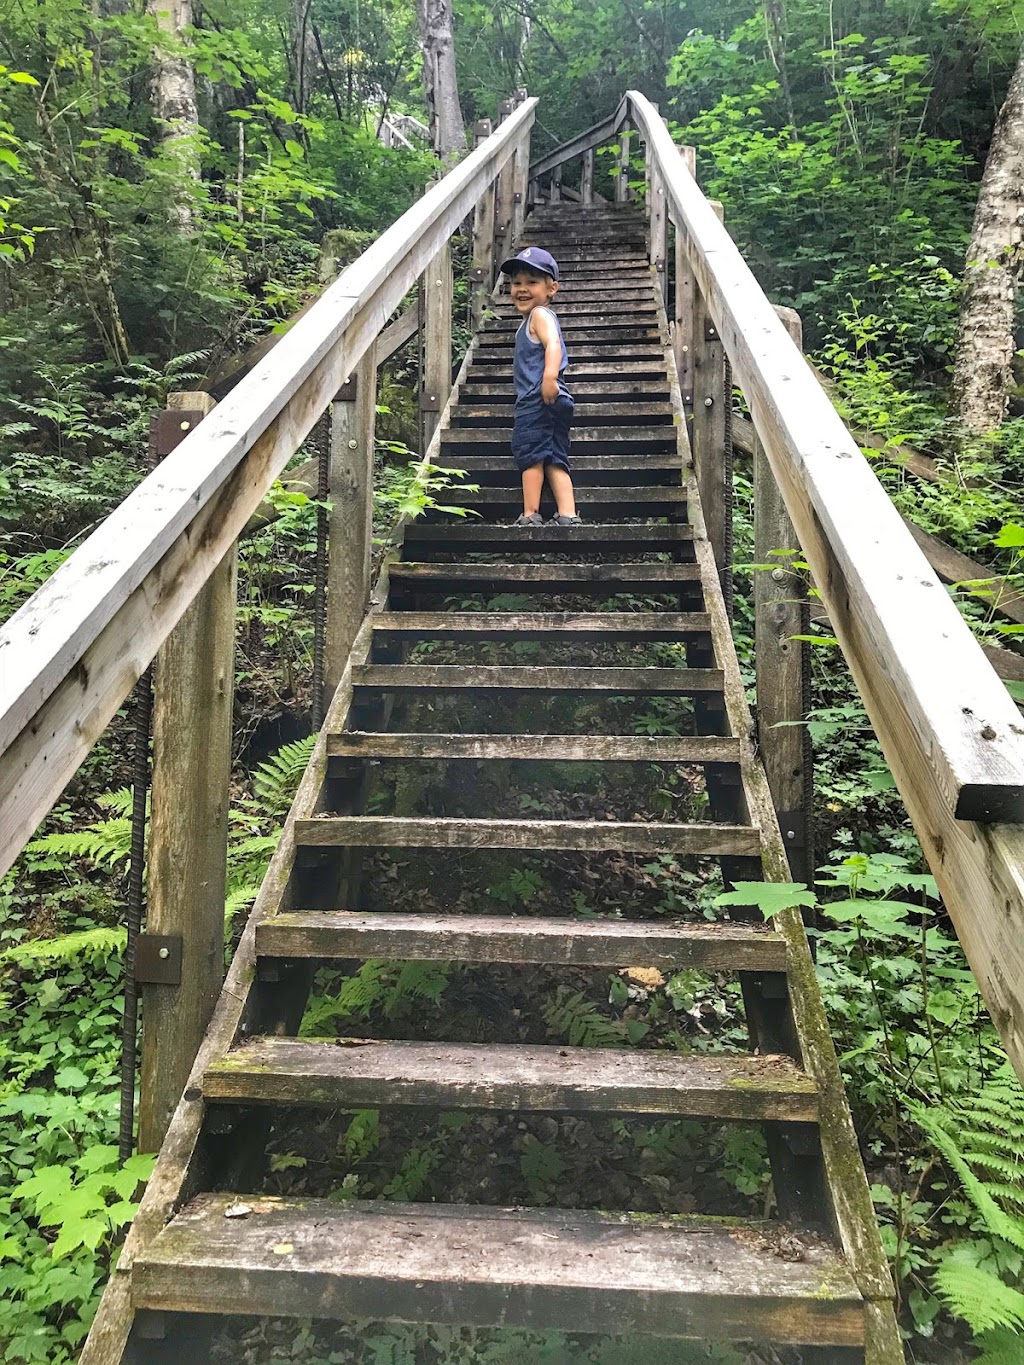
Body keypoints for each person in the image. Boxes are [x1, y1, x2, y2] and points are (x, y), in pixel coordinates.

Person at [499, 247, 581, 527]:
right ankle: (568, 514)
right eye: (516, 282)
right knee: (555, 456)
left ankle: (531, 513)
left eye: (531, 282)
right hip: (555, 399)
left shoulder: (539, 316)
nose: (521, 288)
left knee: (530, 453)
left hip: (538, 397)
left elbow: (554, 346)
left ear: (551, 289)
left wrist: (549, 377)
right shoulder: (530, 320)